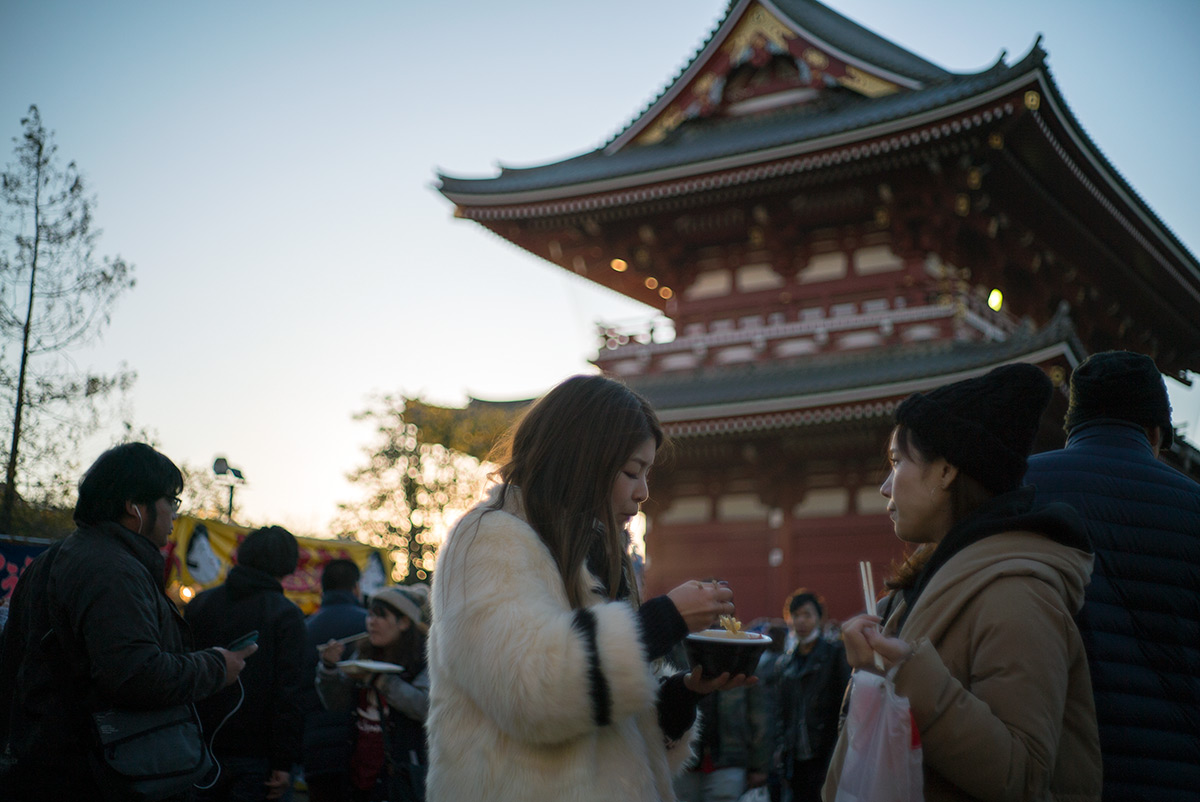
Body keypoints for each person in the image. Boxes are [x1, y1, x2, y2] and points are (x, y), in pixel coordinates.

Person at [425, 374, 751, 802]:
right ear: (581, 460)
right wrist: (664, 620)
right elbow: (534, 693)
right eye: (633, 471)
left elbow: (607, 722)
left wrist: (680, 698)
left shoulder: (595, 555)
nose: (644, 492)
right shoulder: (487, 540)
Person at [822, 363, 1102, 802]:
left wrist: (907, 672)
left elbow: (1023, 775)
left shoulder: (1018, 592)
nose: (884, 486)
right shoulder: (924, 581)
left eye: (897, 462)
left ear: (947, 472)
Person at [0, 442, 255, 800]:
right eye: (171, 502)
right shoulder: (111, 570)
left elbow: (11, 662)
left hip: (45, 764)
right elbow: (135, 675)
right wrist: (215, 666)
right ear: (134, 507)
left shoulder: (58, 558)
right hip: (94, 775)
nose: (173, 517)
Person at [1024, 350, 1200, 802]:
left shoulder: (1022, 488)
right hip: (1177, 769)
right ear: (1156, 431)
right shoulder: (1193, 505)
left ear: (1072, 423)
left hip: (1052, 764)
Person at [186, 525, 307, 801]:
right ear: (289, 564)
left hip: (196, 748)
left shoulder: (200, 604)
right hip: (258, 757)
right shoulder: (286, 615)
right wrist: (283, 761)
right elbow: (289, 692)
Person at [317, 585, 431, 802]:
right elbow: (336, 704)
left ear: (404, 622)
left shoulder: (422, 661)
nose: (371, 622)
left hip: (402, 774)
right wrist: (329, 669)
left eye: (381, 616)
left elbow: (424, 707)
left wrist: (380, 680)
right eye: (369, 615)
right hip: (359, 772)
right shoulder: (363, 653)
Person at [303, 558, 369, 802]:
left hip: (314, 744)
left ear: (323, 589)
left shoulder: (305, 627)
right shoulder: (370, 626)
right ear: (356, 588)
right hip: (360, 741)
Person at [774, 589, 849, 802]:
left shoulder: (834, 656)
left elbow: (845, 707)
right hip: (794, 759)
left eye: (807, 614)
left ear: (819, 618)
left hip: (824, 754)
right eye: (795, 615)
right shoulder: (784, 663)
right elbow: (780, 713)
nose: (801, 621)